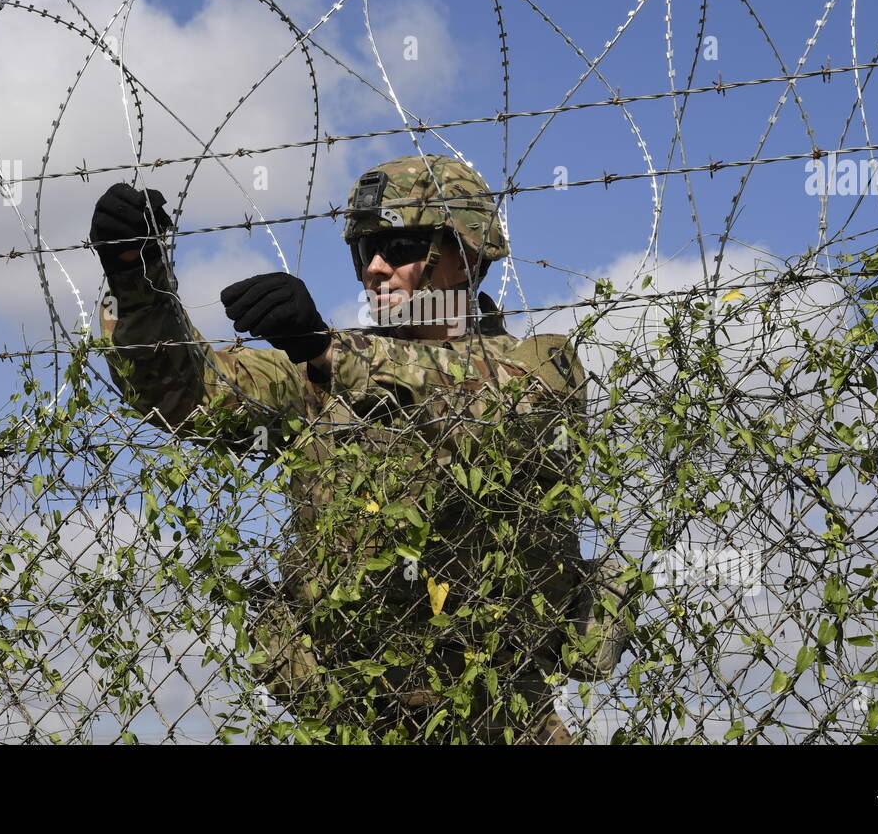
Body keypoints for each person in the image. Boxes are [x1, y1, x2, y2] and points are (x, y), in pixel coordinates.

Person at [92, 154, 595, 743]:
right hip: (350, 715)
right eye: (364, 252)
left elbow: (481, 410)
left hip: (498, 716)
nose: (375, 270)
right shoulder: (318, 374)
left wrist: (329, 352)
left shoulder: (543, 363)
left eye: (400, 246)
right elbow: (188, 394)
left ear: (466, 251)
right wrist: (138, 279)